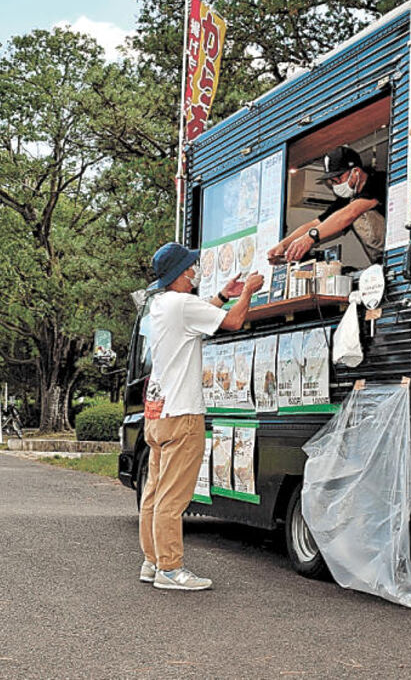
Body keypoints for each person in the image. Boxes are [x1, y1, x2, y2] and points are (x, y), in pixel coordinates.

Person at [138, 241, 264, 591]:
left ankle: (152, 561)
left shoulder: (162, 304)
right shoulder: (183, 303)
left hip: (157, 414)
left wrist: (224, 295)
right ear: (181, 274)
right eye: (192, 267)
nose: (196, 271)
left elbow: (203, 315)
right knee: (173, 497)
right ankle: (170, 569)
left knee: (154, 492)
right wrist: (248, 293)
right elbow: (236, 322)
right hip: (183, 414)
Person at [268, 145, 387, 266]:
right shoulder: (347, 199)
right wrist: (283, 245)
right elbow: (316, 224)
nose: (336, 184)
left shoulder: (379, 182)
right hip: (381, 263)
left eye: (339, 178)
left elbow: (350, 213)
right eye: (333, 180)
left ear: (356, 171)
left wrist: (310, 238)